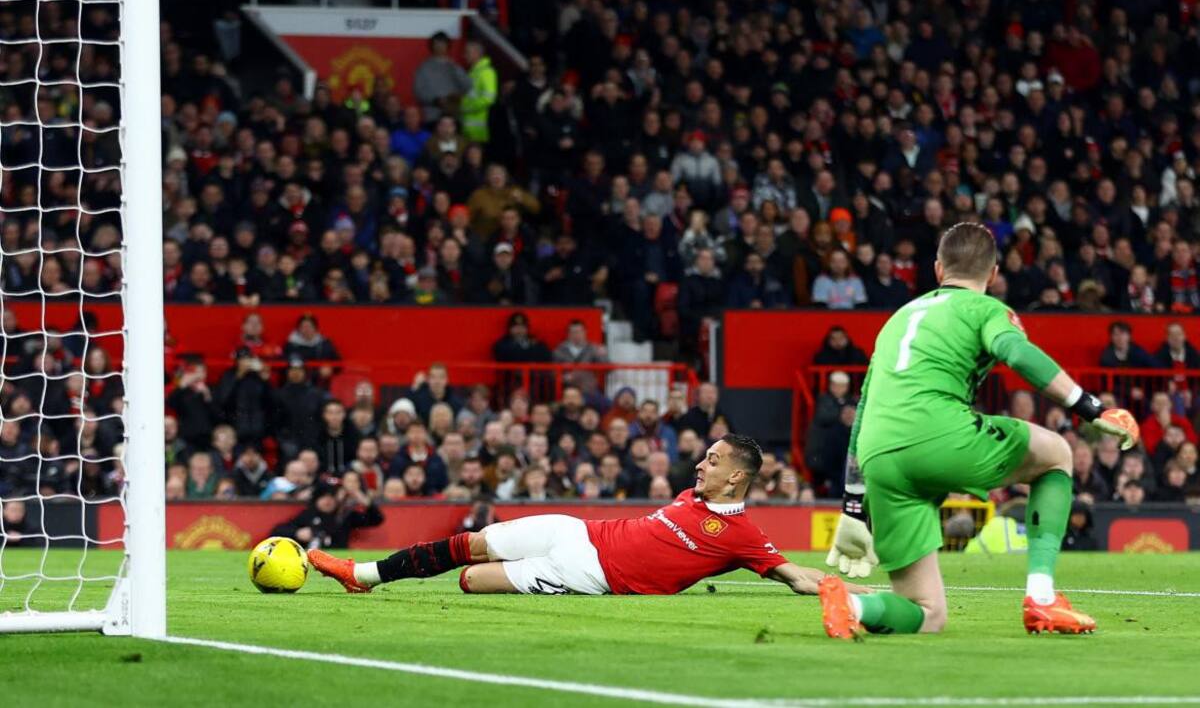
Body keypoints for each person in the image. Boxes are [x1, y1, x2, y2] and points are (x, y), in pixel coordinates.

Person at [820, 222, 1136, 639]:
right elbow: (1017, 353)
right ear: (993, 274)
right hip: (939, 433)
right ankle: (1041, 598)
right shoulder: (985, 309)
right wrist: (1088, 406)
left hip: (880, 456)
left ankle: (853, 604)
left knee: (928, 614)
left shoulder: (897, 320)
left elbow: (861, 413)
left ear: (937, 270)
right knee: (1057, 453)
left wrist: (853, 506)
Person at [308, 434, 867, 597]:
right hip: (575, 530)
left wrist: (843, 593)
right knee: (471, 542)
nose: (700, 463)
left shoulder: (742, 534)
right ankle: (362, 576)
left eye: (713, 460)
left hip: (587, 576)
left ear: (738, 477)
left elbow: (795, 575)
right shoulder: (691, 496)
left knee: (471, 582)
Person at [272, 479, 384, 550]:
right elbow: (277, 532)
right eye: (324, 496)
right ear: (316, 499)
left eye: (332, 497)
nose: (328, 501)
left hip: (339, 562)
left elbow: (376, 519)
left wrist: (365, 501)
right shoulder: (308, 515)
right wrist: (297, 533)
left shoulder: (344, 516)